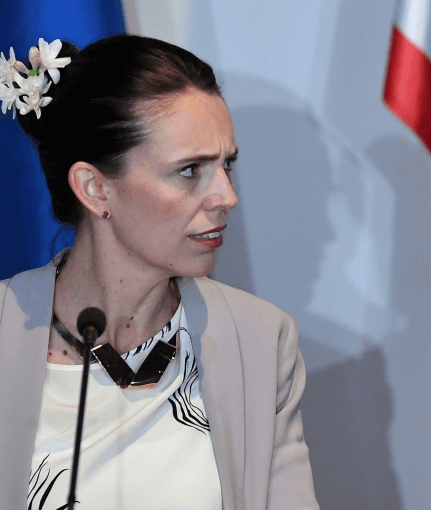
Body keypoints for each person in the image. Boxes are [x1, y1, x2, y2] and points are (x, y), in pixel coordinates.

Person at [0, 35, 319, 509]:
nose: (227, 197)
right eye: (190, 170)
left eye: (226, 165)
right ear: (94, 188)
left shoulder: (259, 339)